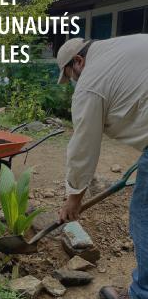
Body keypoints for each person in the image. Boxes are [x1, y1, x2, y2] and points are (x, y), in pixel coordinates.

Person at [56, 35, 148, 299]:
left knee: (144, 214)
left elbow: (83, 147)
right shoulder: (123, 45)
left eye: (71, 77)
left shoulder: (91, 82)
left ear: (78, 61)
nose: (74, 83)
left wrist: (73, 199)